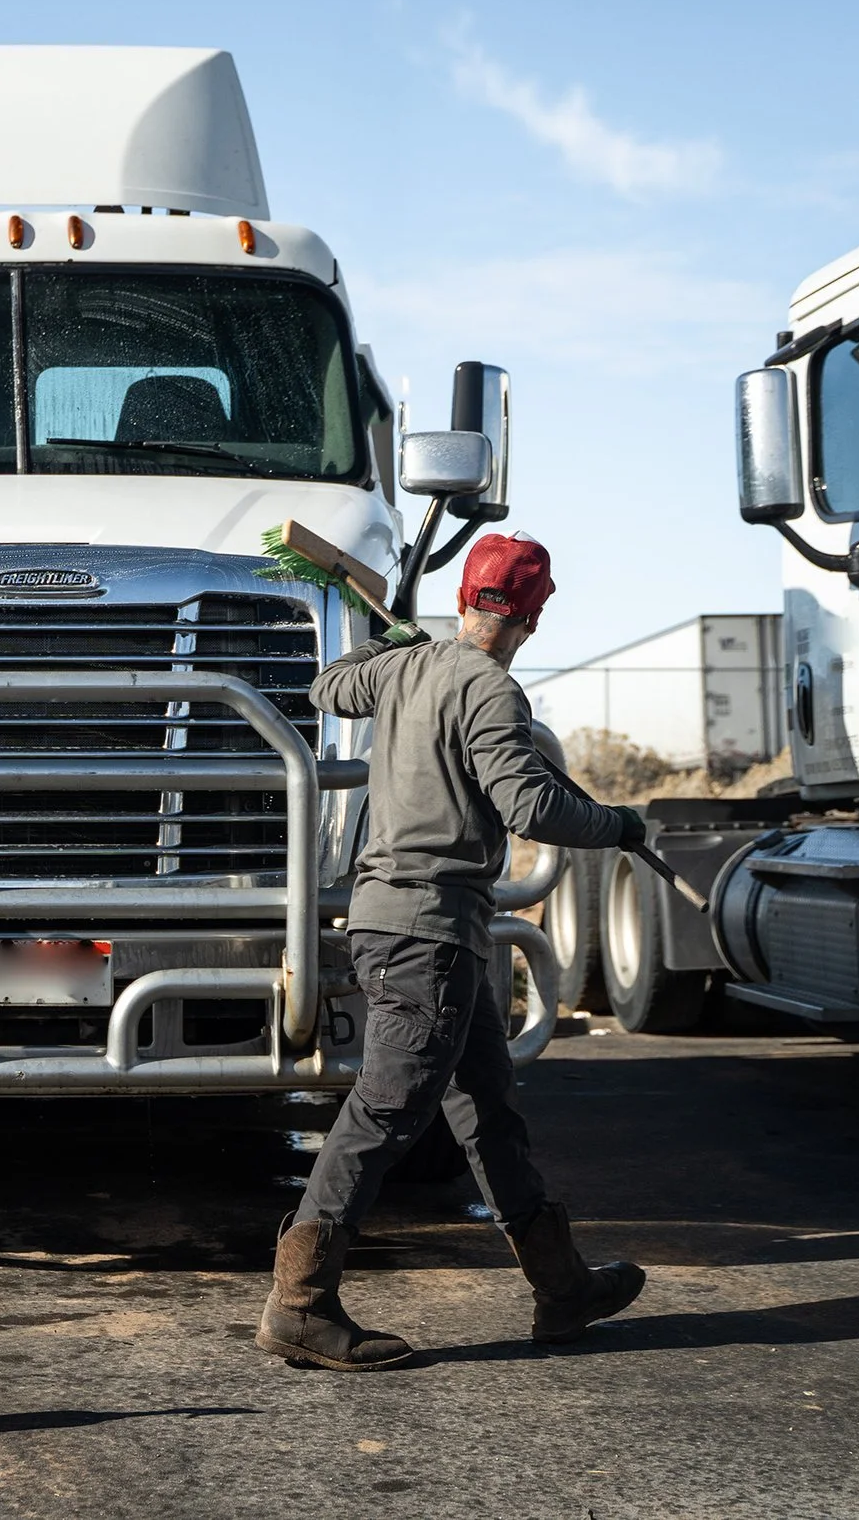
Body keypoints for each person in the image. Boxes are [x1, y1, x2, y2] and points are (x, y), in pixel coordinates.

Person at [256, 532, 650, 1372]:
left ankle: (560, 1286)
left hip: (411, 925)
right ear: (534, 618)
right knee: (389, 1106)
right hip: (426, 930)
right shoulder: (493, 691)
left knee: (487, 1109)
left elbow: (330, 685)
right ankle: (299, 1301)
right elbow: (531, 804)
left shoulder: (406, 667)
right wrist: (616, 823)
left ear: (466, 598)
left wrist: (387, 641)